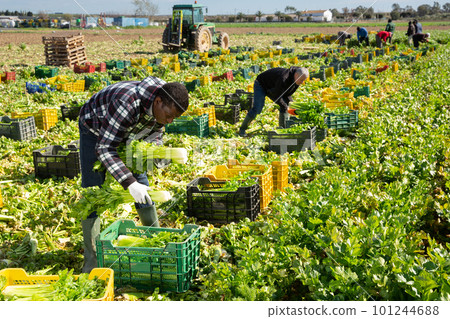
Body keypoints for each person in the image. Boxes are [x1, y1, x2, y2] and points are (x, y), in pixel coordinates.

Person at [78, 76, 189, 273]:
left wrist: (156, 153)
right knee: (93, 191)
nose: (170, 121)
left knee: (141, 182)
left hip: (129, 133)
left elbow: (153, 137)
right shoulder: (127, 102)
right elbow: (105, 148)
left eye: (175, 118)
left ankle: (155, 241)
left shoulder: (163, 104)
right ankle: (91, 259)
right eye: (169, 115)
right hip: (95, 129)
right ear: (158, 102)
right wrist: (128, 183)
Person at [238, 67, 309, 137]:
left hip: (273, 87)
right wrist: (286, 106)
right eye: (302, 80)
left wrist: (291, 104)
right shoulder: (284, 78)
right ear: (296, 75)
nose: (302, 82)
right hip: (261, 85)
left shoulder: (297, 79)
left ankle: (283, 129)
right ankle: (242, 129)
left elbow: (287, 94)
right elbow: (277, 96)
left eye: (304, 80)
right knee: (257, 108)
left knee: (286, 104)